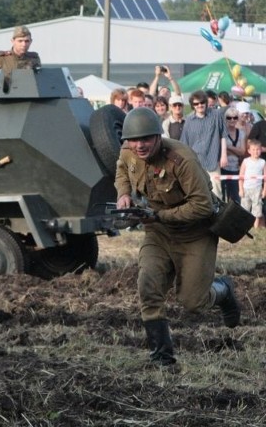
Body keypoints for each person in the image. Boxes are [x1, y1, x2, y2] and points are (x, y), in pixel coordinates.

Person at [114, 107, 241, 367]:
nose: (140, 145)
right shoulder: (128, 151)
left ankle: (224, 290)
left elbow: (202, 206)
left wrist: (161, 216)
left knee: (193, 302)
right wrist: (123, 194)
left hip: (195, 233)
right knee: (148, 287)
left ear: (158, 137)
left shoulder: (182, 160)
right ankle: (162, 358)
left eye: (146, 139)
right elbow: (121, 170)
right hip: (157, 232)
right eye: (134, 140)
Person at [180, 90, 228, 199]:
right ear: (193, 105)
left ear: (206, 102)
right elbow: (185, 143)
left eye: (202, 102)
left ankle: (218, 215)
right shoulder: (188, 120)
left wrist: (224, 155)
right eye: (196, 104)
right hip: (196, 162)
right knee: (198, 193)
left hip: (213, 160)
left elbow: (224, 135)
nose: (199, 105)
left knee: (216, 193)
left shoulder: (216, 115)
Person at [239, 140, 266, 229]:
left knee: (257, 208)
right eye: (253, 149)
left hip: (257, 189)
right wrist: (241, 189)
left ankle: (256, 227)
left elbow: (265, 178)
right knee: (245, 208)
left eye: (258, 149)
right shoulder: (246, 161)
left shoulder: (263, 162)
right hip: (246, 188)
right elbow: (241, 176)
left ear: (261, 150)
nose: (256, 151)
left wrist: (264, 189)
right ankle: (245, 227)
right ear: (249, 151)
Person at [221, 106, 245, 204]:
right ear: (225, 118)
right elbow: (221, 151)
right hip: (223, 168)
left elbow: (242, 152)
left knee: (236, 198)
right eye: (229, 117)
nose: (232, 120)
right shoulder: (222, 133)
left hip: (236, 169)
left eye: (235, 117)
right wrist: (236, 151)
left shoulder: (241, 133)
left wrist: (228, 147)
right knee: (222, 196)